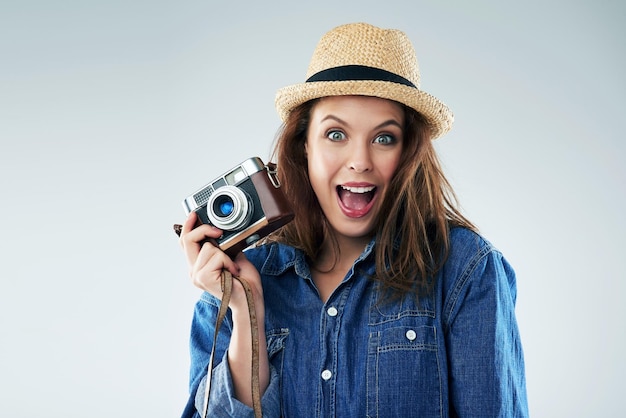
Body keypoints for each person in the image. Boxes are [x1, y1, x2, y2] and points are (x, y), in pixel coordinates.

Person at [178, 22, 528, 417]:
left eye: (384, 138)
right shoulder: (233, 284)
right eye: (335, 134)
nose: (360, 161)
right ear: (304, 147)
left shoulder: (466, 270)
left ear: (408, 152)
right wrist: (247, 318)